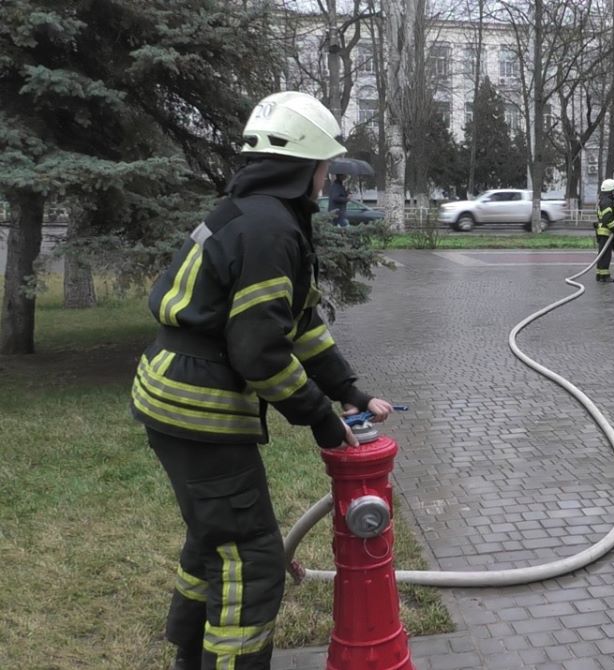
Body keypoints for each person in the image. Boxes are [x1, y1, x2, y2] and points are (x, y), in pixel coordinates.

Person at [130, 91, 393, 670]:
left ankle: (190, 659)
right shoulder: (271, 229)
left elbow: (295, 326)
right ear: (304, 166)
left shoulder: (253, 212)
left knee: (212, 539)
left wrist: (348, 390)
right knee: (252, 561)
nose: (328, 181)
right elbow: (260, 352)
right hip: (198, 409)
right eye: (326, 167)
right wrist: (325, 422)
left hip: (170, 393)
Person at [594, 178, 614, 283]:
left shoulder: (603, 200)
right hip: (606, 233)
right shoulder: (608, 202)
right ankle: (605, 277)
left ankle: (600, 275)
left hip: (602, 232)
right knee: (606, 256)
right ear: (611, 190)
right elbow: (608, 219)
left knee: (602, 254)